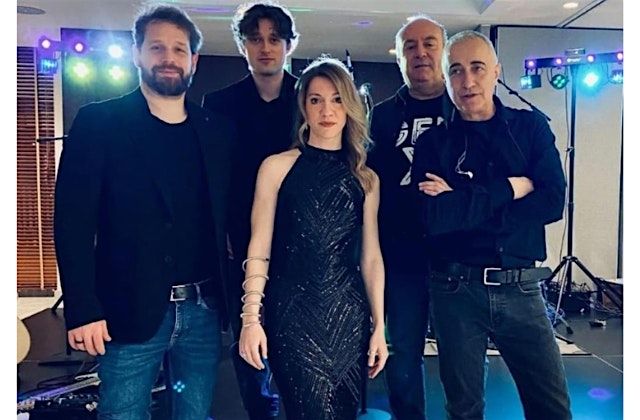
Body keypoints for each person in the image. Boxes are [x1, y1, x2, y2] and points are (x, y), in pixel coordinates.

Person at [54, 5, 234, 419]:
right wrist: (82, 309)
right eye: (157, 47)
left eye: (179, 49)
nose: (168, 58)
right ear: (136, 53)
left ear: (194, 60)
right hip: (126, 310)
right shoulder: (99, 122)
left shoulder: (218, 131)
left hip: (204, 309)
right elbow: (72, 223)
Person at [412, 30, 572, 419]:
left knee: (552, 407)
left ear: (496, 72)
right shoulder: (433, 143)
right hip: (455, 289)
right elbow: (435, 219)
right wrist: (511, 188)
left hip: (521, 286)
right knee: (463, 409)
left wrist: (463, 200)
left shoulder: (530, 129)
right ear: (446, 78)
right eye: (456, 70)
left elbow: (551, 202)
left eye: (477, 68)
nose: (467, 81)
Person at [238, 57, 389, 419]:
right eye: (316, 100)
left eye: (337, 99)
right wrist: (250, 319)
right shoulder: (277, 167)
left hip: (349, 315)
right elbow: (259, 247)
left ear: (350, 105)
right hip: (291, 316)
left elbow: (371, 257)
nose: (327, 110)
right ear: (303, 107)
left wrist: (379, 327)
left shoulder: (366, 178)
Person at [201, 2, 298, 418]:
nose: (265, 47)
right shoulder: (219, 104)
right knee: (249, 345)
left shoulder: (309, 98)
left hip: (301, 241)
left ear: (290, 45)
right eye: (255, 39)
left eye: (274, 38)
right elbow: (213, 179)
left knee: (297, 350)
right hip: (240, 241)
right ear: (242, 45)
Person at [368, 15, 447, 419]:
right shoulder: (381, 117)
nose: (420, 53)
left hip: (456, 255)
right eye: (410, 47)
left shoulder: (465, 108)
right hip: (399, 254)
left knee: (462, 355)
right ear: (399, 58)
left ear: (443, 51)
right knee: (402, 350)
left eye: (429, 43)